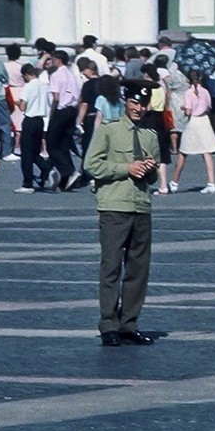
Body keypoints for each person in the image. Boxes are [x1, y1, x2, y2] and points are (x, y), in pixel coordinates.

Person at [84, 80, 161, 347]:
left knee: (139, 270)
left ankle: (129, 323)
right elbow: (92, 164)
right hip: (114, 206)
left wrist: (150, 169)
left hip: (141, 206)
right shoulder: (109, 130)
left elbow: (153, 178)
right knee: (111, 267)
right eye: (134, 103)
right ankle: (108, 324)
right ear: (125, 102)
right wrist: (126, 168)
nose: (138, 108)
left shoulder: (150, 135)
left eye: (142, 104)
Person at [171, 74, 215, 194]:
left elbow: (188, 111)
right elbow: (208, 108)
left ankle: (174, 181)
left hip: (193, 121)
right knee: (206, 152)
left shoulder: (188, 92)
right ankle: (211, 182)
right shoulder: (205, 92)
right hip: (204, 120)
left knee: (183, 152)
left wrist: (184, 108)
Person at [44, 49, 82, 192]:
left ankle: (69, 171)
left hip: (61, 110)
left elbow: (56, 98)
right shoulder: (72, 75)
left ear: (58, 60)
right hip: (72, 110)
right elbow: (78, 95)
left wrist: (52, 113)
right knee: (64, 145)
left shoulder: (56, 75)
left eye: (53, 59)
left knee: (51, 145)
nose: (51, 62)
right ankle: (67, 179)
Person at [16, 63, 50, 193]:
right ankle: (47, 168)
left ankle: (27, 183)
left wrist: (19, 104)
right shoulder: (43, 85)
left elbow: (23, 107)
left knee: (26, 154)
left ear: (27, 75)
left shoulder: (28, 87)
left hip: (30, 120)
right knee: (35, 152)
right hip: (40, 120)